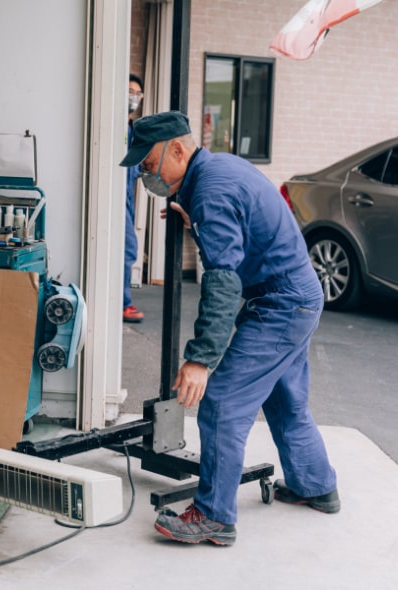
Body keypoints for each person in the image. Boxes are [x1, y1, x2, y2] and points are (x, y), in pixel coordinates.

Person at [119, 111, 339, 546]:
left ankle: (214, 516)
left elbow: (222, 280)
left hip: (280, 302)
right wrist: (198, 221)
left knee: (220, 402)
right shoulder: (218, 170)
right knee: (285, 401)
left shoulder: (211, 193)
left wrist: (201, 359)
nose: (147, 177)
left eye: (148, 165)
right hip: (299, 295)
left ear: (177, 150)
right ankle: (316, 486)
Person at [123, 74, 145, 323]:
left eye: (137, 94)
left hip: (128, 198)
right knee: (128, 249)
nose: (133, 97)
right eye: (129, 91)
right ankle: (123, 303)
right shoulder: (117, 127)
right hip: (116, 198)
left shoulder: (135, 129)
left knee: (128, 249)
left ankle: (121, 300)